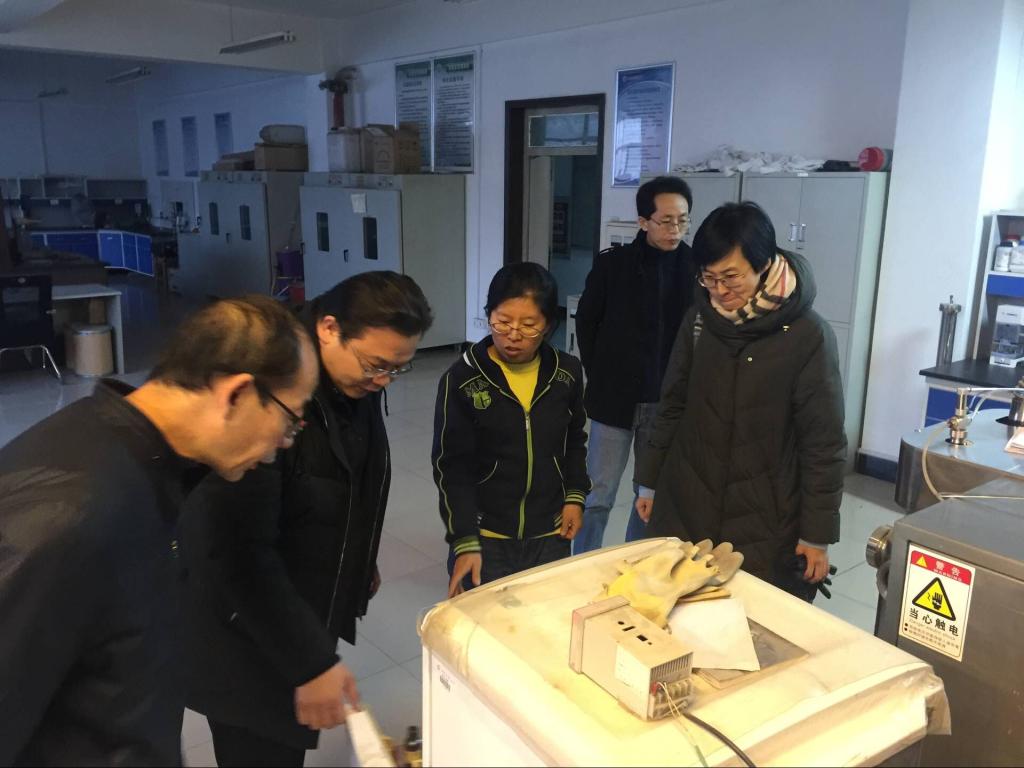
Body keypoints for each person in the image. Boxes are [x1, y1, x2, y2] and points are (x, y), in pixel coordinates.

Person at [0, 296, 319, 766]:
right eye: (289, 421)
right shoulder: (73, 514)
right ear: (235, 394)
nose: (281, 446)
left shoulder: (145, 462)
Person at [179, 271, 433, 767]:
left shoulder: (349, 382)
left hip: (299, 609)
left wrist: (360, 556)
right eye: (377, 365)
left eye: (397, 369)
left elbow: (349, 475)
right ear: (329, 328)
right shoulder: (271, 393)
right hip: (245, 637)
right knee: (260, 751)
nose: (383, 380)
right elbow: (233, 553)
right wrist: (311, 664)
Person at [634, 202, 846, 601]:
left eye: (731, 277)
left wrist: (816, 534)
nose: (719, 290)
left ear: (763, 265)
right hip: (689, 497)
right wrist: (648, 481)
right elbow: (672, 404)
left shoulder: (807, 335)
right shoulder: (700, 320)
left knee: (752, 616)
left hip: (765, 513)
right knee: (682, 610)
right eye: (709, 278)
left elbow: (823, 443)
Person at [434, 263, 589, 597]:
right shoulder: (462, 379)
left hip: (550, 534)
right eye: (502, 322)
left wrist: (575, 497)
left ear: (549, 324)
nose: (514, 335)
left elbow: (575, 440)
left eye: (529, 325)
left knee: (545, 619)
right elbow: (451, 468)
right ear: (489, 314)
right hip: (486, 537)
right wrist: (464, 539)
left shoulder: (567, 373)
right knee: (484, 623)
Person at [572, 175, 696, 554]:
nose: (675, 229)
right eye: (666, 221)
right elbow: (586, 322)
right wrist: (600, 373)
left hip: (665, 403)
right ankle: (584, 562)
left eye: (682, 220)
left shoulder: (695, 268)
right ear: (643, 221)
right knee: (598, 493)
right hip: (615, 399)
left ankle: (633, 564)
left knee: (649, 496)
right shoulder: (614, 265)